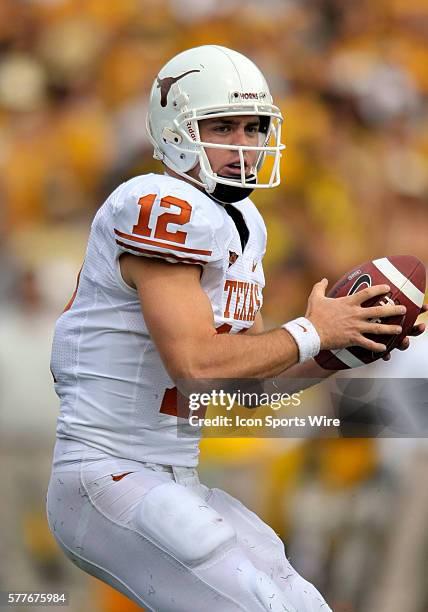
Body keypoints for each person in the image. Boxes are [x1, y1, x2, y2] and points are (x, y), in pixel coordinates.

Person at [46, 45, 424, 611]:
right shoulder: (158, 203)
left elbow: (242, 388)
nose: (242, 145)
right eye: (222, 126)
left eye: (253, 127)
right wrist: (314, 330)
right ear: (174, 130)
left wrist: (340, 349)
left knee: (303, 603)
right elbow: (195, 363)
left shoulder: (242, 222)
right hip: (106, 473)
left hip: (174, 476)